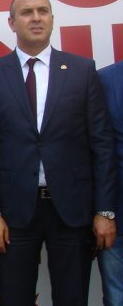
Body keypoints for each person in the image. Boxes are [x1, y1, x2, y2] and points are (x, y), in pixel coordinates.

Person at [0, 0, 116, 306]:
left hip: (73, 211)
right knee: (15, 298)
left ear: (52, 19)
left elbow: (102, 144)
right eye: (27, 12)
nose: (36, 18)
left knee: (72, 297)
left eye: (43, 11)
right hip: (13, 214)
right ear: (12, 23)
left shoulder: (82, 70)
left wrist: (105, 210)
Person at [98, 61, 123, 306]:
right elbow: (97, 148)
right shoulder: (105, 79)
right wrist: (104, 211)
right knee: (116, 297)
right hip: (116, 216)